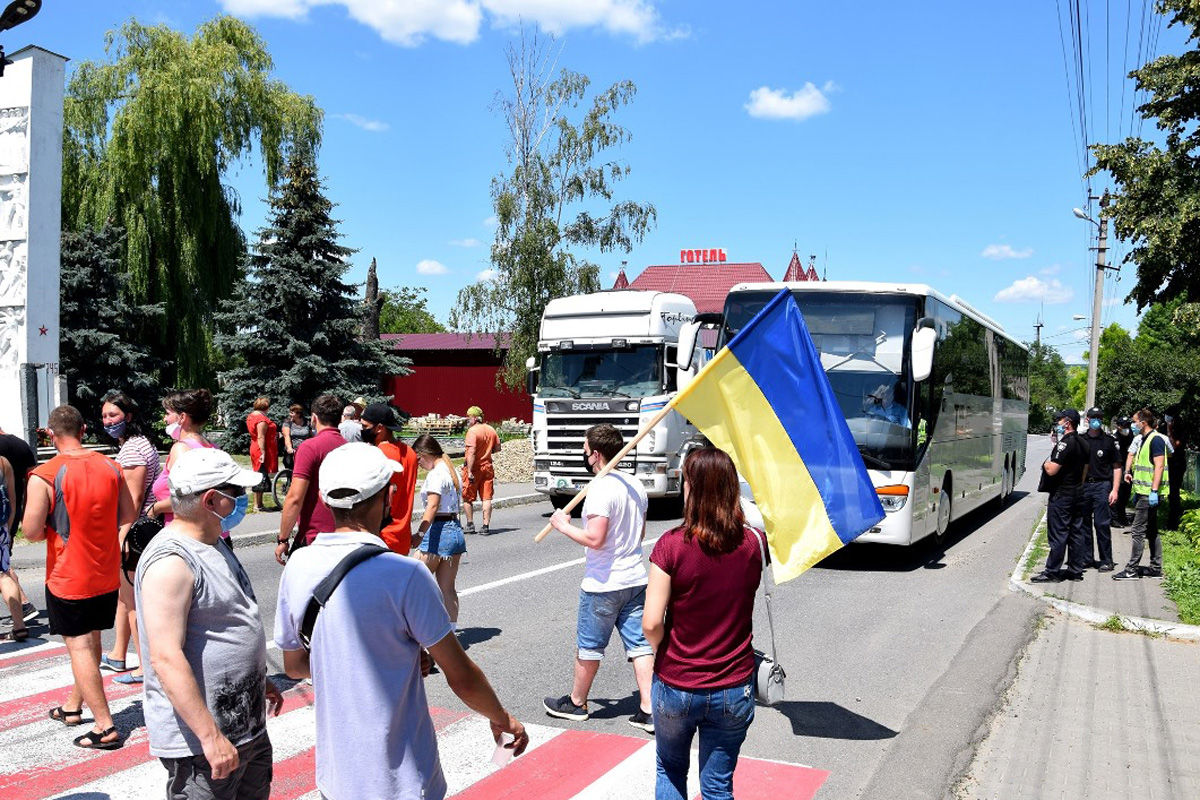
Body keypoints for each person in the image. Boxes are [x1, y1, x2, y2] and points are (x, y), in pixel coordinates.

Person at [274, 443, 529, 800]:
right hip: (403, 781)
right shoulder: (404, 573)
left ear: (326, 499)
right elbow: (461, 676)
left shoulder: (298, 566)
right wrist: (501, 718)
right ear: (386, 495)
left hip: (337, 778)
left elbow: (297, 665)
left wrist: (393, 656)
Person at [136, 447, 284, 798]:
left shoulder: (213, 541)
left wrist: (257, 681)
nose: (243, 500)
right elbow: (165, 657)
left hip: (245, 727)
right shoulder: (171, 562)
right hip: (204, 745)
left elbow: (226, 623)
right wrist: (210, 737)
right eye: (237, 493)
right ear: (212, 500)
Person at [643, 448, 762, 799]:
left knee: (670, 768)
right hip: (734, 685)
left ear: (690, 488)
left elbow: (651, 622)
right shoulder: (754, 543)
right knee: (717, 786)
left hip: (678, 681)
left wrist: (664, 652)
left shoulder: (671, 546)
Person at [23, 405, 136, 749]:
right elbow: (127, 514)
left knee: (80, 648)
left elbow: (31, 532)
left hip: (68, 574)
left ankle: (105, 727)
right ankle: (73, 707)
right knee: (92, 641)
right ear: (84, 430)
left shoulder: (45, 474)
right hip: (105, 570)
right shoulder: (111, 466)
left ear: (51, 435)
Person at [544, 423, 655, 732]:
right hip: (634, 577)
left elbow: (596, 539)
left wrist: (562, 525)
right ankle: (648, 708)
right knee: (639, 645)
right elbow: (641, 531)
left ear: (595, 454)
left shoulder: (600, 489)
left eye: (584, 448)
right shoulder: (636, 485)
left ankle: (577, 703)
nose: (583, 453)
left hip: (603, 583)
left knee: (590, 646)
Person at [99, 391, 164, 684]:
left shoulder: (133, 450)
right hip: (142, 527)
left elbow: (133, 500)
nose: (108, 421)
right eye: (104, 416)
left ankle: (144, 668)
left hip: (135, 531)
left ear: (129, 416)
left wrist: (121, 538)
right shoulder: (139, 444)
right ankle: (118, 654)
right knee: (124, 598)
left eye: (113, 415)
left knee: (132, 600)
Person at [276, 395, 347, 565]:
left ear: (314, 418)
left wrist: (283, 538)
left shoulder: (310, 447)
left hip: (314, 537)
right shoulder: (348, 447)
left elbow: (295, 498)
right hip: (343, 535)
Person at [412, 435, 466, 627]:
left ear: (424, 454)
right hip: (455, 530)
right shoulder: (452, 471)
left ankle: (422, 631)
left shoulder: (435, 474)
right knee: (448, 589)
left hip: (438, 530)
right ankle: (451, 632)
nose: (418, 464)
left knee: (412, 581)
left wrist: (419, 534)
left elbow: (432, 507)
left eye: (417, 459)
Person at [1032, 410, 1090, 583]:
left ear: (1068, 422)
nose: (1057, 422)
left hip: (1062, 495)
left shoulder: (1065, 443)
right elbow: (1085, 472)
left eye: (1060, 420)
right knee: (1076, 532)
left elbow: (1052, 470)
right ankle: (1075, 570)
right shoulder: (1084, 443)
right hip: (1078, 493)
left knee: (1059, 533)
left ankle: (1052, 572)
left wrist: (1045, 463)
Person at [1114, 408, 1170, 581]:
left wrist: (1153, 491)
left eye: (1134, 421)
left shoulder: (1156, 440)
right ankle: (1155, 568)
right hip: (1144, 492)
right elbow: (1143, 464)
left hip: (1150, 494)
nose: (1133, 424)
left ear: (1143, 423)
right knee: (1152, 530)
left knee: (1138, 531)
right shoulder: (1144, 439)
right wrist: (1130, 474)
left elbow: (1159, 466)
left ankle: (1131, 570)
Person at [149, 389, 219, 526]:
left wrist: (154, 509)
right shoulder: (212, 447)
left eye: (168, 413)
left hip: (186, 533)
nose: (164, 419)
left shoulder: (181, 449)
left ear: (182, 417)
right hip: (212, 531)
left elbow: (187, 498)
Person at [361, 402, 419, 554]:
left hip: (381, 536)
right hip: (402, 535)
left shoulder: (379, 454)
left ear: (379, 428)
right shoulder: (410, 453)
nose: (362, 430)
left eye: (365, 427)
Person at [0, 423, 38, 626]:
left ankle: (23, 605)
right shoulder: (22, 445)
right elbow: (31, 481)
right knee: (4, 564)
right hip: (8, 517)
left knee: (3, 569)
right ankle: (23, 607)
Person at [1079, 407, 1121, 572]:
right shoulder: (1081, 440)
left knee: (1101, 524)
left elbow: (1117, 467)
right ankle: (1086, 558)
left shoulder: (1109, 441)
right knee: (1084, 524)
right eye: (1094, 417)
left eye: (1099, 417)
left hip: (1102, 486)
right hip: (1084, 486)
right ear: (1087, 419)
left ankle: (1106, 560)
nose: (1097, 419)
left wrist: (1115, 489)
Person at [462, 405, 501, 536]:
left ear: (475, 418)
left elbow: (471, 452)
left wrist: (470, 470)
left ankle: (470, 524)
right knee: (486, 497)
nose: (468, 420)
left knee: (468, 497)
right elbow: (497, 448)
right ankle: (485, 526)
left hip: (475, 468)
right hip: (488, 467)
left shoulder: (472, 432)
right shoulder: (491, 429)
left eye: (469, 417)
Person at [0, 453, 21, 641]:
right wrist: (8, 530)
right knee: (4, 575)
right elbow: (12, 501)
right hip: (1, 528)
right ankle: (19, 625)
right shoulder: (3, 461)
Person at [246, 397, 278, 513]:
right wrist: (263, 452)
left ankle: (259, 504)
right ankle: (257, 504)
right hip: (261, 448)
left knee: (259, 474)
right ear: (267, 407)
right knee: (260, 475)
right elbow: (261, 436)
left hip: (255, 446)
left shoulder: (251, 416)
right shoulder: (261, 419)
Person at [1164, 406, 1188, 530]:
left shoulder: (1179, 430)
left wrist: (1169, 430)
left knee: (1174, 493)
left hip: (1177, 464)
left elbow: (1173, 446)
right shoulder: (1164, 427)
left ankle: (1173, 523)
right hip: (1168, 464)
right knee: (1168, 493)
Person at [1110, 415, 1135, 528]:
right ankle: (1114, 518)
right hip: (1117, 468)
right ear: (1119, 427)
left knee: (1126, 493)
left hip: (1127, 468)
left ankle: (1122, 516)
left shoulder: (1130, 435)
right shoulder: (1114, 438)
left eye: (1128, 425)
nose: (1126, 428)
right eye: (1124, 425)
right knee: (1117, 493)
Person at [281, 403, 311, 470]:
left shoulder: (307, 423)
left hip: (304, 450)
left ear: (298, 414)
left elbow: (312, 436)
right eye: (290, 412)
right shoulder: (288, 423)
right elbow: (286, 436)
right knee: (290, 468)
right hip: (292, 451)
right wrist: (289, 448)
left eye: (292, 413)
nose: (290, 414)